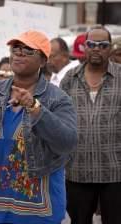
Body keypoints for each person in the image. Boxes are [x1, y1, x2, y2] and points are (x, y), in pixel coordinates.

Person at [0, 30, 78, 224]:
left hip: (36, 209)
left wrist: (34, 107)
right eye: (15, 49)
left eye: (28, 50)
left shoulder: (57, 98)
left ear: (43, 60)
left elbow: (67, 142)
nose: (19, 53)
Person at [60, 27, 121, 224]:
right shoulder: (70, 78)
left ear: (110, 48)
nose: (96, 49)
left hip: (115, 171)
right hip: (78, 170)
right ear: (85, 47)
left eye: (102, 45)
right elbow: (60, 119)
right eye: (91, 44)